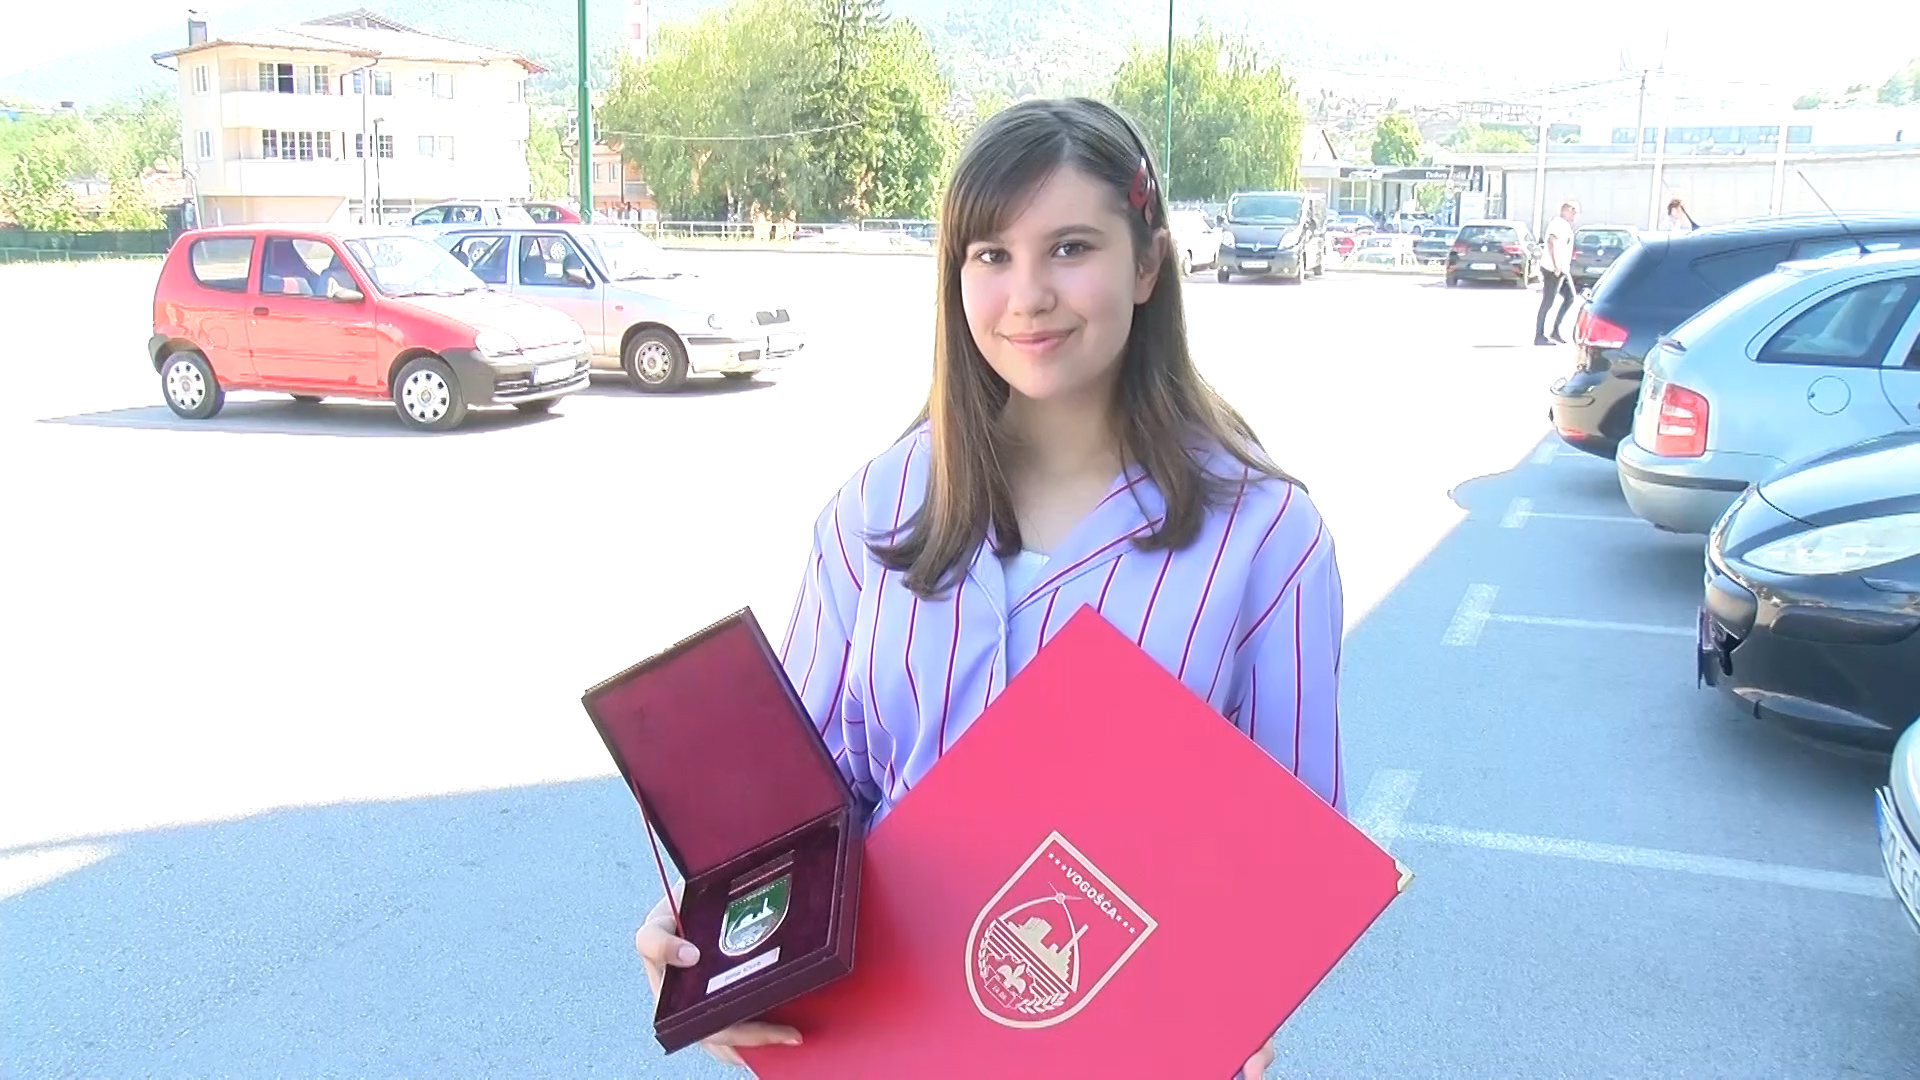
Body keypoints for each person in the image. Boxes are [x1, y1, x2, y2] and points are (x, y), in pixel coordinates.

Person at [633, 97, 1346, 1079]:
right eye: (991, 255)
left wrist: (1224, 1011)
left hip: (1117, 1050)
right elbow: (802, 813)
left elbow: (1293, 860)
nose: (1027, 295)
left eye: (1070, 248)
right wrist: (715, 939)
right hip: (885, 1043)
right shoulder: (876, 509)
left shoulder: (1267, 538)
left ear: (1147, 265)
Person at [1535, 200, 1579, 346]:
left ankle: (1555, 331)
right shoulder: (1558, 224)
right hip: (1553, 269)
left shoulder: (1565, 226)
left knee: (1570, 297)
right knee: (1548, 302)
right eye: (1573, 211)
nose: (1575, 215)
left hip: (1563, 270)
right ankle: (1539, 336)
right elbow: (1551, 242)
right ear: (1566, 210)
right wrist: (1556, 265)